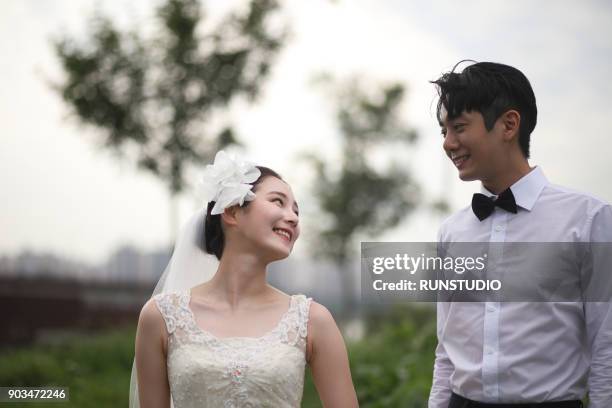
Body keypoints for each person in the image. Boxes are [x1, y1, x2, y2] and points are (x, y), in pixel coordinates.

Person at [428, 61, 612, 408]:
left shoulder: (589, 219)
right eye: (444, 132)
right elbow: (446, 349)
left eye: (460, 127)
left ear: (509, 124)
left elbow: (608, 344)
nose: (449, 144)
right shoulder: (452, 231)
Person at [131, 151, 359, 408]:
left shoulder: (312, 321)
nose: (293, 217)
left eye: (296, 210)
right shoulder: (160, 316)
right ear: (232, 212)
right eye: (278, 202)